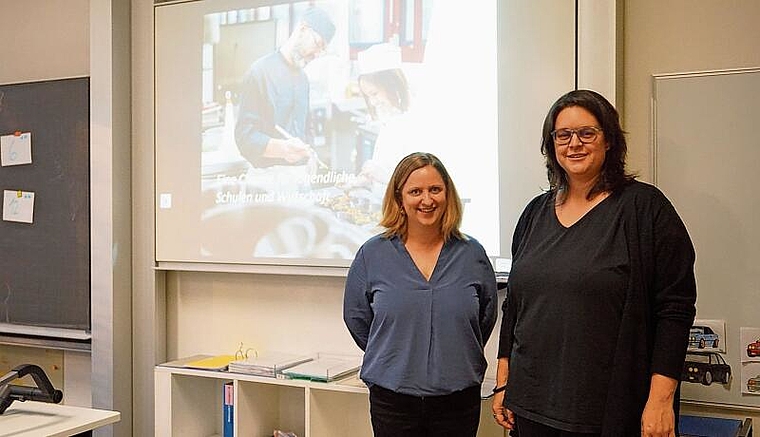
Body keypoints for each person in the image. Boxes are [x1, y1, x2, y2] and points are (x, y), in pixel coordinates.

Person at [491, 89, 697, 437]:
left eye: (587, 133)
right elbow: (515, 306)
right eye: (563, 135)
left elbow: (674, 310)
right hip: (531, 406)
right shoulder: (533, 215)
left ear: (609, 141)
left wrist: (661, 400)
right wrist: (503, 381)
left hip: (609, 410)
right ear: (551, 144)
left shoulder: (645, 209)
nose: (575, 144)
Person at [343, 152, 498, 437]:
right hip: (393, 400)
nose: (427, 200)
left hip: (458, 401)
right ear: (400, 199)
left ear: (447, 195)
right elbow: (357, 319)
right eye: (416, 191)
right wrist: (394, 353)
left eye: (435, 189)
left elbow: (484, 319)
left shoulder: (472, 254)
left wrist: (451, 353)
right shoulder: (372, 254)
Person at [234, 6, 335, 168]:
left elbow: (306, 128)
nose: (317, 54)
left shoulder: (303, 79)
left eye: (322, 50)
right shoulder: (259, 72)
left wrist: (310, 158)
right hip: (267, 180)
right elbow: (244, 137)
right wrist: (283, 149)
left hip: (300, 178)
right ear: (302, 29)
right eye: (318, 44)